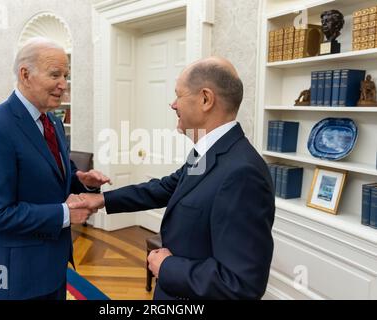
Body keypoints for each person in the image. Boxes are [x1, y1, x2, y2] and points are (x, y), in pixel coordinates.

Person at [78, 57, 276, 300]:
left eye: (178, 95)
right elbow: (165, 188)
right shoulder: (209, 153)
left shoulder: (243, 173)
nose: (173, 104)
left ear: (205, 99)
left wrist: (167, 268)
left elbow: (241, 284)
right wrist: (101, 200)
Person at [0, 37, 111, 300]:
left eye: (66, 75)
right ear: (25, 74)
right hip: (14, 275)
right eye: (55, 74)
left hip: (52, 266)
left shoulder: (53, 122)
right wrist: (65, 214)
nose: (64, 84)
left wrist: (82, 181)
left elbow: (56, 175)